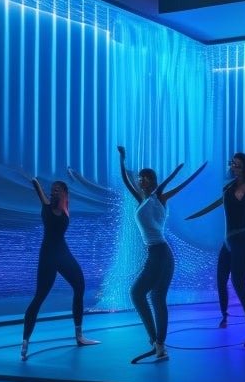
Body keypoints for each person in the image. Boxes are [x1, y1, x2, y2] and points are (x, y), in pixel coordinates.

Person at [118, 146, 205, 361]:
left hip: (160, 255)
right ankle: (160, 347)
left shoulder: (159, 198)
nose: (142, 181)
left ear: (154, 181)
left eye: (147, 178)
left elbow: (175, 184)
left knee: (139, 294)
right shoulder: (142, 201)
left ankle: (156, 342)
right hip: (159, 254)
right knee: (155, 298)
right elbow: (126, 182)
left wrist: (178, 173)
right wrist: (122, 159)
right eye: (140, 178)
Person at [186, 152, 245, 346]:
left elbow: (240, 200)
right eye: (233, 164)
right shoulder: (229, 186)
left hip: (244, 240)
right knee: (221, 280)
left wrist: (237, 184)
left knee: (239, 282)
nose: (234, 167)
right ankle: (224, 316)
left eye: (238, 165)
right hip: (228, 241)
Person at [21, 178, 99, 361]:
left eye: (57, 190)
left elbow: (66, 194)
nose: (53, 192)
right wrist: (34, 181)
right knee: (39, 297)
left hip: (63, 254)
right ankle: (25, 342)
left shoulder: (65, 207)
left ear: (64, 194)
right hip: (48, 256)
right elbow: (38, 189)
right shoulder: (47, 207)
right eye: (52, 189)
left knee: (80, 285)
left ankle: (79, 336)